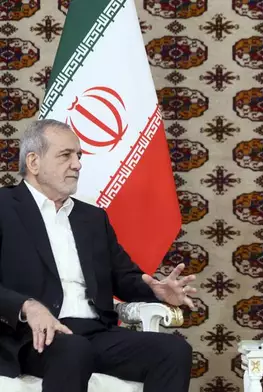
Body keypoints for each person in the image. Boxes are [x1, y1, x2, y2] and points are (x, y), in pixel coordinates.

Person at [0, 119, 195, 392]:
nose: (77, 164)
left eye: (78, 156)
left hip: (95, 333)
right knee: (73, 350)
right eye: (65, 155)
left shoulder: (92, 218)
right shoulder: (5, 207)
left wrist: (159, 291)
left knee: (174, 351)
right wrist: (27, 306)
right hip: (31, 337)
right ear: (33, 162)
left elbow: (124, 277)